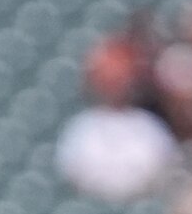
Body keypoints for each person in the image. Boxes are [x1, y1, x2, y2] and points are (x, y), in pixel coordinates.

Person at [56, 59, 181, 202]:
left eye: (120, 82)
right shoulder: (82, 126)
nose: (115, 88)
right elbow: (71, 171)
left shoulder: (148, 124)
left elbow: (162, 168)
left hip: (141, 205)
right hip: (89, 205)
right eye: (110, 82)